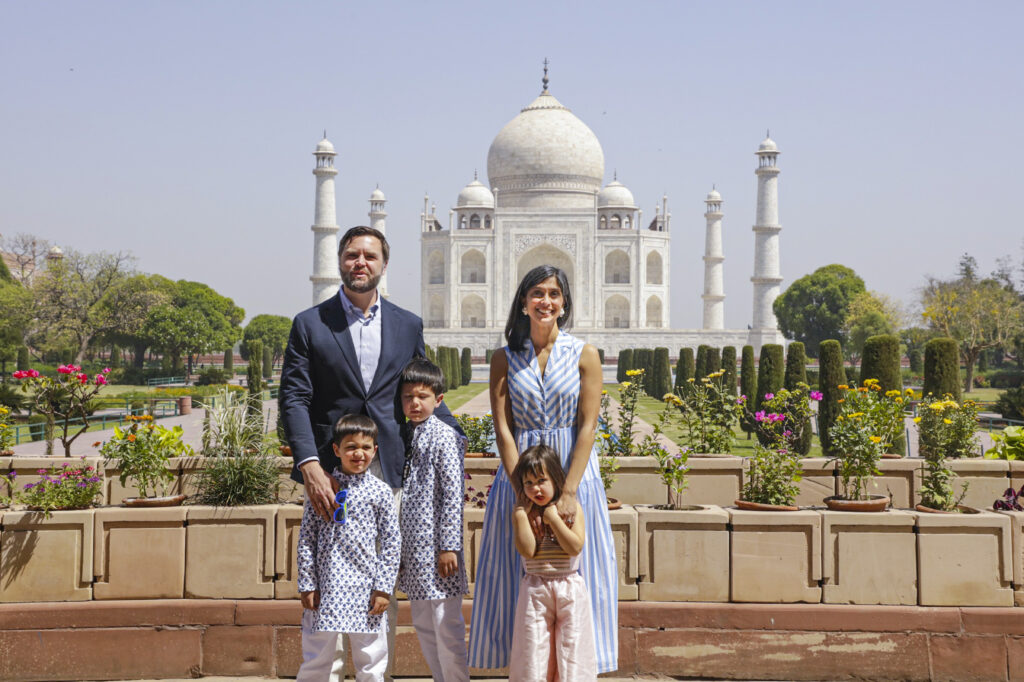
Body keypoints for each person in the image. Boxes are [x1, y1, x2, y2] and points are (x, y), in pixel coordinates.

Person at [280, 225, 461, 679]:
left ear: (383, 264)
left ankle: (377, 675)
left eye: (370, 256)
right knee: (328, 574)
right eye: (352, 255)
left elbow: (422, 389)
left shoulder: (406, 323)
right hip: (333, 470)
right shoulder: (310, 323)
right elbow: (295, 398)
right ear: (339, 261)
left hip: (388, 469)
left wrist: (456, 435)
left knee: (383, 579)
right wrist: (311, 466)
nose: (361, 263)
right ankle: (327, 672)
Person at [468, 265, 618, 673]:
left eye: (554, 293)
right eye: (537, 293)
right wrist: (521, 490)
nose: (545, 301)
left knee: (581, 572)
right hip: (519, 475)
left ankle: (578, 668)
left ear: (564, 302)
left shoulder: (584, 353)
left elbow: (587, 425)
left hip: (573, 470)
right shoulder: (505, 358)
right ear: (523, 301)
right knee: (513, 570)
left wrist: (568, 490)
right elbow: (503, 427)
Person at [296, 414, 400, 682]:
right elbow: (307, 538)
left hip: (366, 591)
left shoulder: (381, 492)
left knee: (372, 661)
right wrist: (308, 584)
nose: (358, 454)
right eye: (351, 446)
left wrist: (383, 588)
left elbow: (391, 542)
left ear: (375, 450)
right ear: (336, 450)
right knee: (317, 660)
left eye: (365, 447)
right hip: (326, 590)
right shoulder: (322, 490)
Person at [395, 358, 470, 682]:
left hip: (440, 553)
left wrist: (449, 546)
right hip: (414, 551)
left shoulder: (443, 436)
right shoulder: (407, 435)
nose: (414, 403)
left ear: (438, 400)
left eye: (422, 397)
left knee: (446, 626)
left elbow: (454, 494)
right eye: (408, 396)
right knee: (424, 625)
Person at [509, 444, 596, 681]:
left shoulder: (571, 509)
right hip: (535, 588)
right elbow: (527, 551)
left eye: (541, 480)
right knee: (533, 649)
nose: (535, 488)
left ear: (556, 479)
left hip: (569, 587)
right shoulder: (523, 512)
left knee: (572, 648)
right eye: (528, 483)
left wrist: (554, 521)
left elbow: (575, 546)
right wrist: (519, 515)